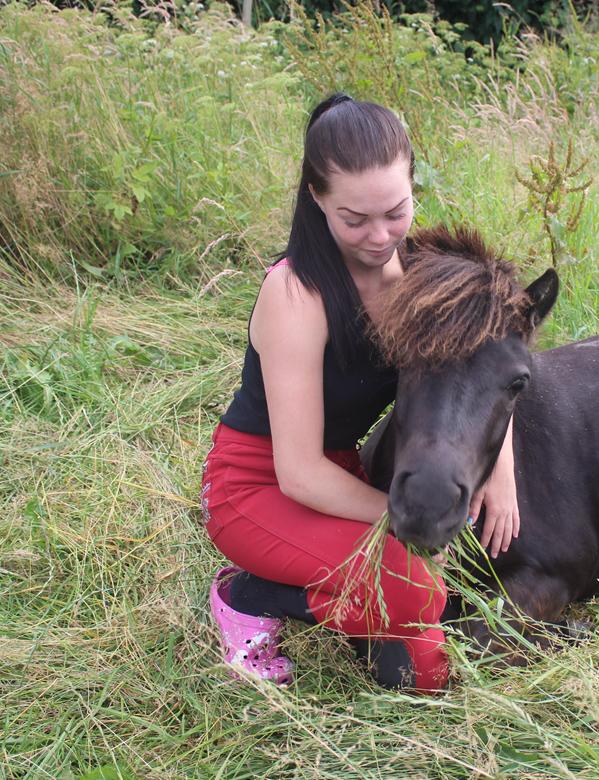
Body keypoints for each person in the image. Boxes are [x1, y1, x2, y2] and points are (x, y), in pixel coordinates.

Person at [199, 94, 520, 692]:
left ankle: (340, 589)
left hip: (344, 473)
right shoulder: (296, 294)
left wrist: (501, 471)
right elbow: (296, 473)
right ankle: (247, 594)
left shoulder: (419, 272)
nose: (380, 237)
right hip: (259, 485)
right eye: (355, 220)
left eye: (396, 212)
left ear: (414, 187)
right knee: (418, 590)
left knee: (426, 602)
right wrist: (406, 525)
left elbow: (483, 365)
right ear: (317, 198)